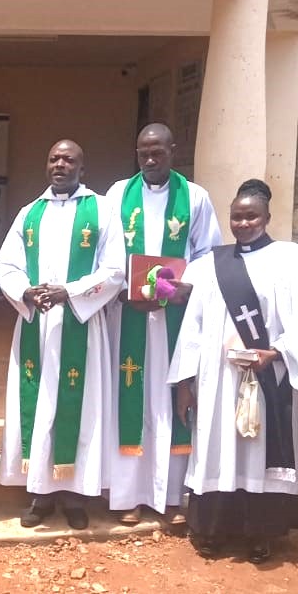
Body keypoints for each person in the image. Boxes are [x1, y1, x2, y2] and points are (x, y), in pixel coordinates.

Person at [169, 178, 298, 563]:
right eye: (236, 217)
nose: (243, 224)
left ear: (267, 217)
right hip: (217, 379)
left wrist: (275, 353)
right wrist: (185, 381)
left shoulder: (292, 259)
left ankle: (263, 532)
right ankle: (212, 528)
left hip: (268, 376)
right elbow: (192, 325)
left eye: (251, 216)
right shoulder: (210, 264)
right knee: (217, 448)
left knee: (260, 452)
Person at [0, 139, 126, 530]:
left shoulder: (102, 209)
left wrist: (70, 291)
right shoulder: (28, 214)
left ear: (82, 168)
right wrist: (26, 291)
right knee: (39, 406)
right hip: (37, 323)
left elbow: (115, 269)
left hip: (80, 325)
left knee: (78, 406)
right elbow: (7, 264)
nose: (60, 164)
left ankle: (74, 495)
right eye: (54, 158)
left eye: (69, 160)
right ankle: (40, 493)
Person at [104, 123, 221, 525]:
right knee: (132, 395)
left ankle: (171, 495)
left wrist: (189, 288)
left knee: (174, 396)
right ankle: (130, 495)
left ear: (174, 150)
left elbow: (208, 253)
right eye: (143, 153)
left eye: (158, 152)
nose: (150, 160)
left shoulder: (196, 196)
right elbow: (108, 252)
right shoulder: (119, 194)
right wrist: (122, 292)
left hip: (176, 317)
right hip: (130, 317)